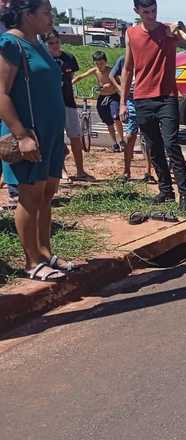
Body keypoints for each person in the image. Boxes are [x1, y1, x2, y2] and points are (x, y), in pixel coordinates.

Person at [0, 0, 71, 281]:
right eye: (45, 12)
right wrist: (21, 135)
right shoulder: (10, 46)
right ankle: (32, 263)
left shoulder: (39, 45)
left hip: (51, 135)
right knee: (29, 196)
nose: (50, 17)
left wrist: (60, 137)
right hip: (29, 135)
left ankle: (45, 252)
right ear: (27, 15)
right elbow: (2, 94)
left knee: (46, 194)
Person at [121, 0, 186, 210]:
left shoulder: (169, 31)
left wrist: (180, 25)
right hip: (142, 98)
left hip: (166, 97)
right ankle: (166, 191)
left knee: (171, 144)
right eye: (146, 12)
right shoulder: (130, 33)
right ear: (137, 11)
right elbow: (127, 69)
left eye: (154, 10)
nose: (151, 15)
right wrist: (124, 102)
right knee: (153, 147)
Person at [41, 29, 91, 181]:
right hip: (50, 104)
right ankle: (61, 170)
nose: (55, 46)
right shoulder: (43, 59)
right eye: (51, 43)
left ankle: (80, 171)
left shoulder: (69, 58)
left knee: (75, 136)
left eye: (57, 42)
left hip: (69, 102)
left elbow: (71, 78)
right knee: (57, 139)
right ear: (45, 44)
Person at [110, 54, 153, 182]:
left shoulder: (147, 56)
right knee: (130, 136)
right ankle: (126, 171)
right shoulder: (124, 59)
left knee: (147, 137)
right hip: (131, 101)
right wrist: (121, 90)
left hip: (146, 99)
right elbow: (112, 75)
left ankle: (148, 171)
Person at [73, 50, 123, 152]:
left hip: (113, 96)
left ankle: (122, 140)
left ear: (106, 61)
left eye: (101, 63)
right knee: (108, 122)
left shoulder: (111, 70)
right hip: (102, 98)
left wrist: (112, 85)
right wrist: (71, 82)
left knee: (116, 117)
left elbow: (120, 82)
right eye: (97, 64)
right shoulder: (95, 71)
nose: (100, 66)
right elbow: (81, 76)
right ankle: (114, 143)